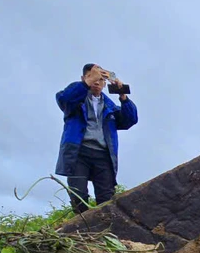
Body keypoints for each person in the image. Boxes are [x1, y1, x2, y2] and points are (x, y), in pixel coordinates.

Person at [54, 63, 138, 214]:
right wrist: (86, 83)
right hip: (79, 152)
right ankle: (83, 227)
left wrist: (123, 96)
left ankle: (103, 231)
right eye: (92, 78)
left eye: (100, 79)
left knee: (106, 198)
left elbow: (129, 120)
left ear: (105, 83)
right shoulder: (74, 98)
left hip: (103, 155)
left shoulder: (109, 106)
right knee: (78, 195)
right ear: (84, 78)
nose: (96, 82)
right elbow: (64, 101)